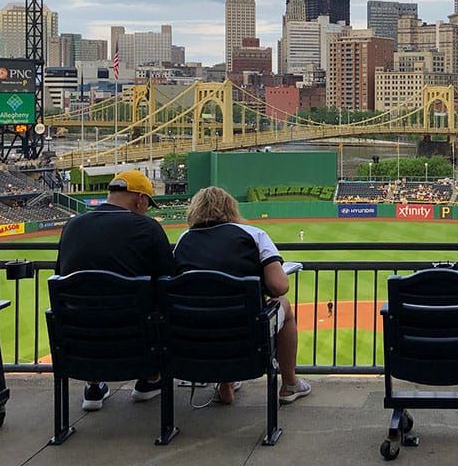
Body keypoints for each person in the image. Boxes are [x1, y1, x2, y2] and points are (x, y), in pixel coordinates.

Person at [172, 186, 310, 404]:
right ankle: (290, 383)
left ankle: (226, 382)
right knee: (283, 303)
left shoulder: (185, 239)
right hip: (245, 331)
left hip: (194, 330)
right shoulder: (253, 234)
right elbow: (279, 286)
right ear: (230, 208)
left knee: (216, 307)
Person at [56, 169, 175, 411]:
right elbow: (168, 282)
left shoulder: (72, 225)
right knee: (162, 306)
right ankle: (150, 379)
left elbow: (61, 275)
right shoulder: (148, 227)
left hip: (78, 340)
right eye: (147, 203)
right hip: (135, 340)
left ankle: (93, 384)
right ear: (139, 199)